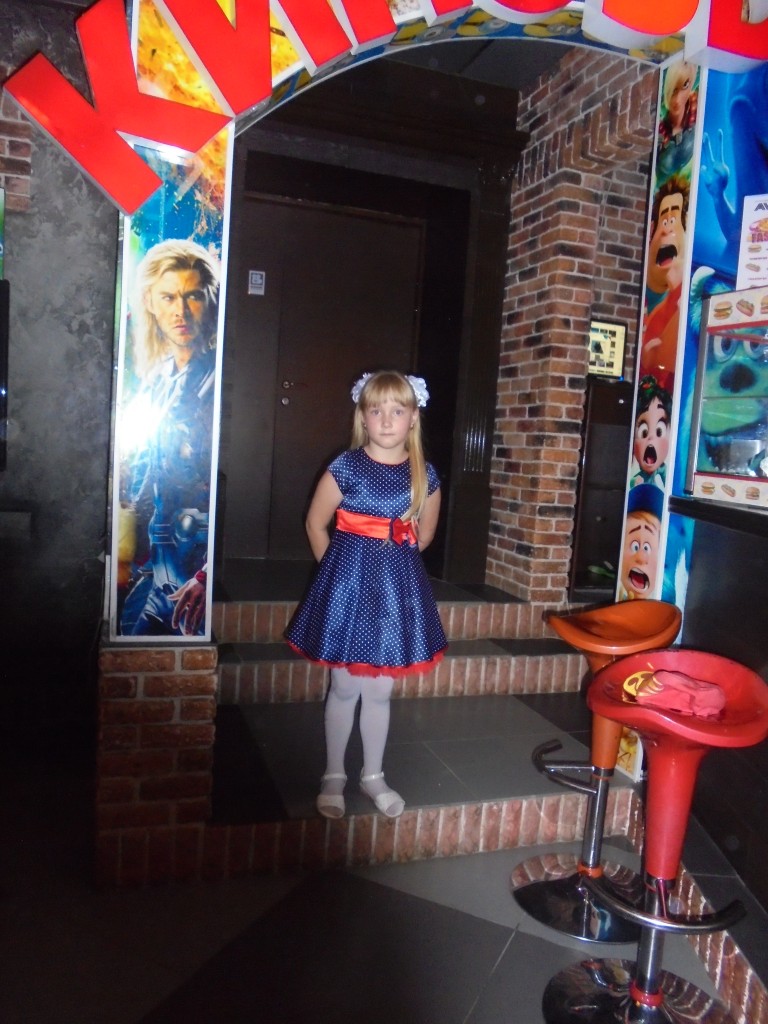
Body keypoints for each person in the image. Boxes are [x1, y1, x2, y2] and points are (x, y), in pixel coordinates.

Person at [285, 370, 448, 819]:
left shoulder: (426, 476)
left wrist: (387, 567)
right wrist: (337, 576)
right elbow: (316, 523)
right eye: (376, 410)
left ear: (413, 418)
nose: (387, 420)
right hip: (347, 592)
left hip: (394, 597)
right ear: (363, 417)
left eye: (398, 410)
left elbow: (423, 537)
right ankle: (334, 774)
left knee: (379, 691)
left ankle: (372, 775)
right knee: (343, 687)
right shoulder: (346, 467)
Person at [118, 238, 220, 637]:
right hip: (153, 569)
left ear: (209, 302)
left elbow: (225, 485)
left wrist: (207, 574)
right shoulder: (157, 379)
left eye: (193, 296)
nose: (181, 311)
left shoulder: (217, 381)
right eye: (169, 297)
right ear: (150, 302)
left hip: (191, 575)